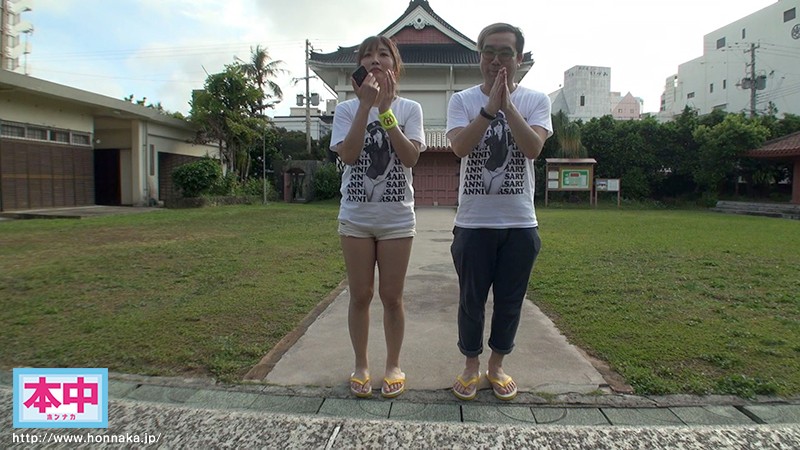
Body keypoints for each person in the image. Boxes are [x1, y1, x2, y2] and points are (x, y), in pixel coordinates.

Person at [445, 23, 552, 401]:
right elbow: (460, 147)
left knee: (510, 301)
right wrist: (490, 109)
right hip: (474, 222)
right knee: (470, 301)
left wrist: (507, 106)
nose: (496, 60)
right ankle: (470, 365)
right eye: (488, 51)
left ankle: (496, 365)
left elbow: (532, 148)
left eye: (505, 52)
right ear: (480, 57)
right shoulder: (461, 101)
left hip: (520, 222)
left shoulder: (537, 100)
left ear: (519, 58)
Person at [330, 35, 426, 399]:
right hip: (356, 217)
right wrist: (363, 107)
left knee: (392, 297)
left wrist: (384, 111)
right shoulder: (345, 110)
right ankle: (361, 365)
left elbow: (410, 157)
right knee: (359, 295)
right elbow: (349, 156)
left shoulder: (410, 109)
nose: (375, 60)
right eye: (367, 55)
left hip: (396, 219)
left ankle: (393, 365)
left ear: (395, 66)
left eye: (383, 54)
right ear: (359, 67)